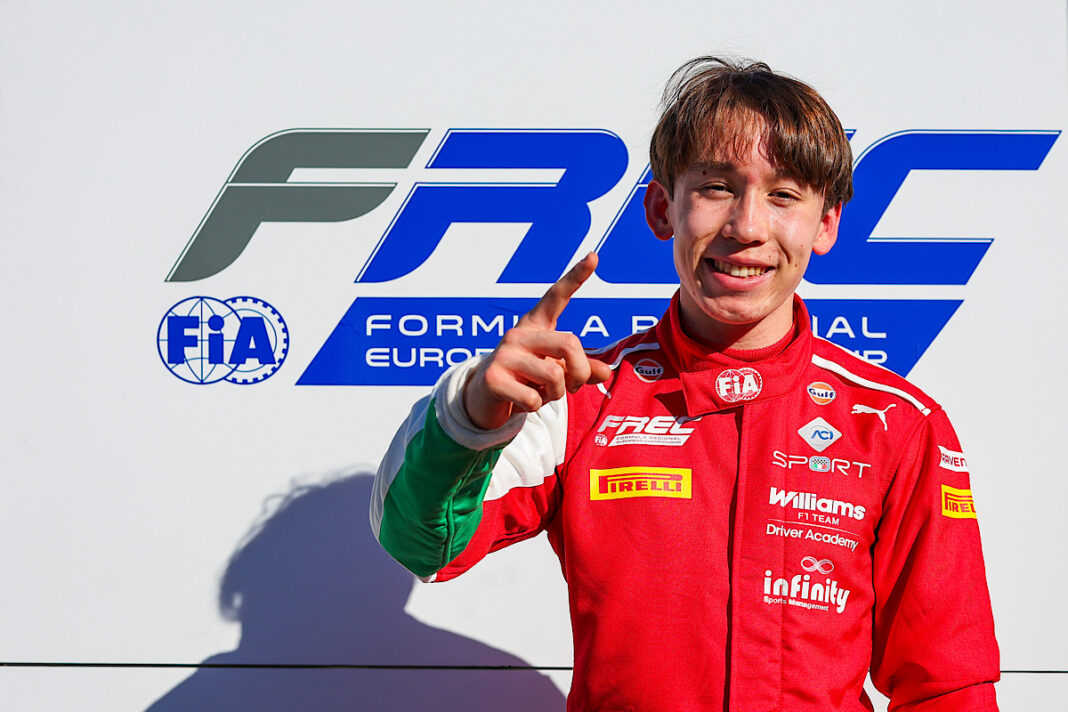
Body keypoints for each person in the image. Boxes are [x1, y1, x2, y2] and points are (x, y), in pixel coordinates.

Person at [370, 57, 1000, 711]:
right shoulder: (581, 398)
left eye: (784, 195)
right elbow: (421, 546)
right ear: (661, 208)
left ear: (826, 224)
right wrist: (471, 415)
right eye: (717, 187)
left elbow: (947, 684)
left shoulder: (896, 424)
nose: (747, 226)